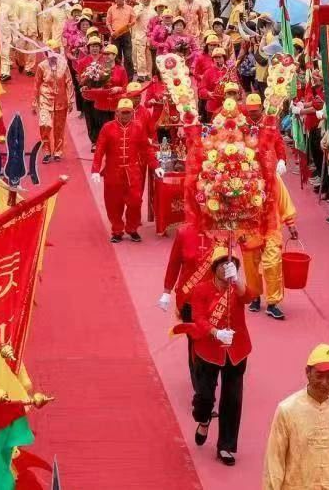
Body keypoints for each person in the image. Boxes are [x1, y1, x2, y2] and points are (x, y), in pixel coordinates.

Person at [179, 247, 257, 467]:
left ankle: (226, 446)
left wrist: (238, 280)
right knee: (204, 397)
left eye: (230, 264)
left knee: (233, 399)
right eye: (222, 263)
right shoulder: (201, 289)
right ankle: (203, 420)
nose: (226, 267)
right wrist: (215, 332)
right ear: (214, 268)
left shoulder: (236, 288)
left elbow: (249, 297)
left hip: (236, 350)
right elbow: (199, 318)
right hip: (208, 350)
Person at [262, 344, 329, 490]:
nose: (325, 383)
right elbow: (274, 462)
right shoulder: (287, 410)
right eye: (319, 375)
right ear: (307, 372)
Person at [91, 97, 163, 243]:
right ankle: (117, 230)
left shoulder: (138, 127)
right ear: (117, 112)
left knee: (135, 201)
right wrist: (95, 170)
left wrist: (156, 166)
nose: (125, 115)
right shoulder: (107, 128)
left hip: (133, 172)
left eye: (128, 112)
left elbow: (146, 149)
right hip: (112, 173)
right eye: (123, 112)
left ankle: (132, 228)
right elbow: (99, 149)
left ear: (132, 113)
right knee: (113, 203)